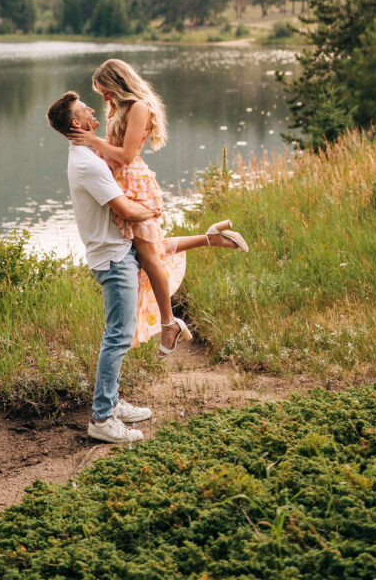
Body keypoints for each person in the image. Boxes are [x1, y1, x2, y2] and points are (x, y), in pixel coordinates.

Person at [68, 58, 248, 357]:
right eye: (101, 94)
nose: (104, 98)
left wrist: (92, 141)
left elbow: (125, 156)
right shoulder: (121, 108)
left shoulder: (139, 107)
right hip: (121, 184)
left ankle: (169, 322)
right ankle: (211, 238)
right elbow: (113, 148)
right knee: (149, 249)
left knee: (149, 255)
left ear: (117, 83)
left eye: (106, 91)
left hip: (134, 184)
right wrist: (92, 143)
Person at [46, 89, 155, 445]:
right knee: (118, 336)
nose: (94, 110)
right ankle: (103, 419)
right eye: (85, 109)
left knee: (118, 334)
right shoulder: (86, 162)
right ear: (77, 123)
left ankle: (113, 402)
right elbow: (124, 209)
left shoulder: (89, 153)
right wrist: (153, 210)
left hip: (113, 251)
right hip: (113, 256)